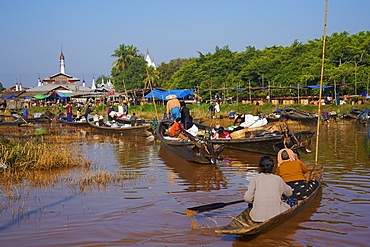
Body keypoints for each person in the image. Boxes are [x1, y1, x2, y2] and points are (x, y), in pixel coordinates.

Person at [244, 156, 293, 222]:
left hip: (256, 218)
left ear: (260, 167)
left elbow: (247, 198)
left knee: (250, 205)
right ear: (272, 167)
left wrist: (253, 200)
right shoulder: (278, 179)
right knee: (292, 202)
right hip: (275, 216)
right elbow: (289, 193)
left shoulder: (255, 179)